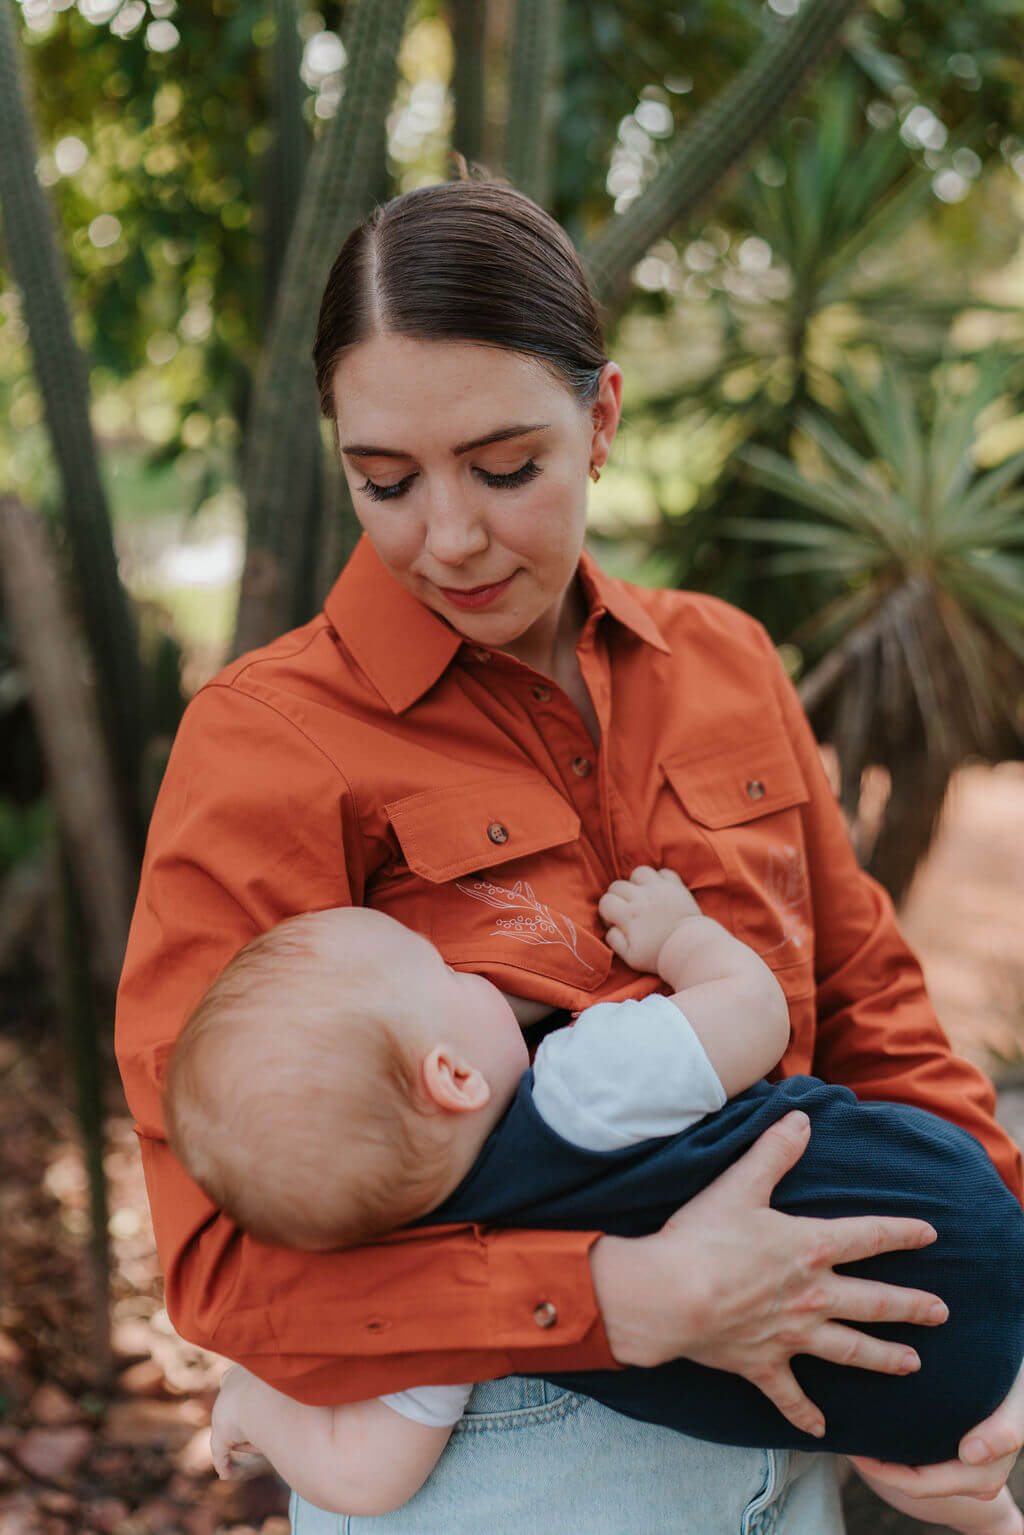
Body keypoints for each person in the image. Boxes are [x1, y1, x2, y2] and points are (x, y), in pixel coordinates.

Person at [115, 170, 1024, 1534]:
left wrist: (993, 1342)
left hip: (805, 1424)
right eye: (385, 482)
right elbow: (223, 1262)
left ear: (598, 419)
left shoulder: (725, 657)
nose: (452, 535)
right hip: (504, 1455)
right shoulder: (268, 744)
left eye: (504, 466)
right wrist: (620, 1295)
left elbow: (880, 1019)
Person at [164, 870, 1023, 1532]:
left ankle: (984, 1510)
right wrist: (681, 933)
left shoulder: (452, 1285)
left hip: (905, 1403)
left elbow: (370, 1475)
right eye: (446, 973)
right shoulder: (580, 1086)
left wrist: (262, 1408)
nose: (477, 975)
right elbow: (752, 1009)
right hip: (950, 1225)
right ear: (453, 1075)